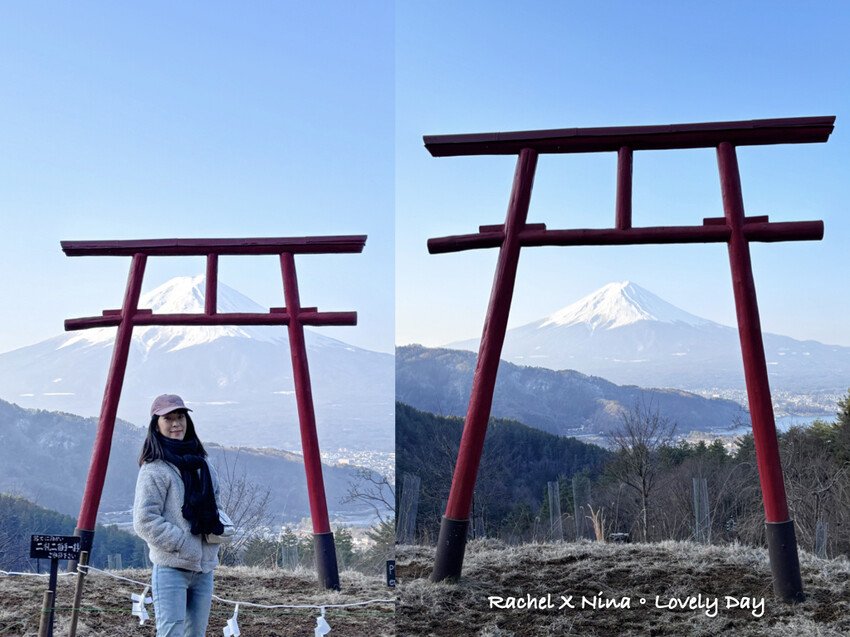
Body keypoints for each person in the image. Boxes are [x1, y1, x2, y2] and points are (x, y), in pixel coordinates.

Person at [133, 394, 224, 637]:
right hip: (172, 567)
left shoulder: (203, 464)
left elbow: (216, 504)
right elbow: (144, 520)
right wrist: (182, 544)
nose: (176, 423)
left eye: (180, 416)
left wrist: (220, 527)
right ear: (156, 425)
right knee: (171, 634)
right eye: (168, 418)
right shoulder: (154, 469)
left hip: (204, 569)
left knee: (196, 634)